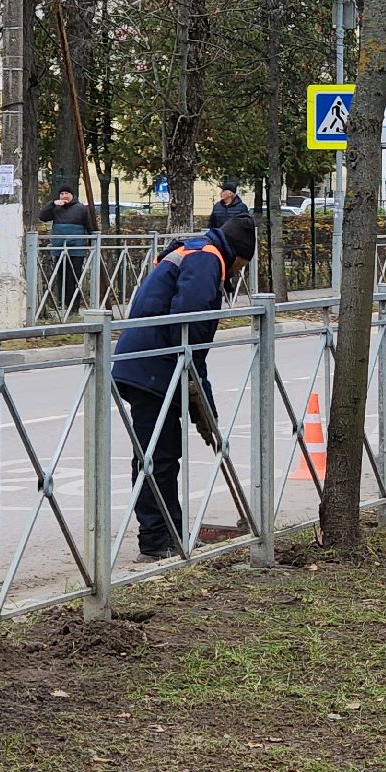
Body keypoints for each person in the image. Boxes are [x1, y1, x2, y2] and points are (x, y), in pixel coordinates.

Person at [110, 215, 255, 562]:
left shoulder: (197, 251)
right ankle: (158, 541)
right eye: (242, 266)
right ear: (238, 254)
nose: (237, 275)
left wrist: (198, 397)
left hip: (149, 364)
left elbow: (189, 338)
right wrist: (199, 395)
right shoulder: (208, 259)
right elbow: (190, 331)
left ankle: (169, 534)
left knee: (160, 454)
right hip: (153, 368)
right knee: (157, 457)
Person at [38, 186, 96, 308]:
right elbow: (42, 216)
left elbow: (89, 226)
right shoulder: (56, 208)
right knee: (62, 276)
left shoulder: (81, 208)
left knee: (75, 276)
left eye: (67, 193)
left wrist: (92, 243)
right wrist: (52, 204)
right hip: (59, 247)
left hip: (76, 249)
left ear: (72, 195)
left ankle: (74, 306)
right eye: (62, 193)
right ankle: (63, 303)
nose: (64, 196)